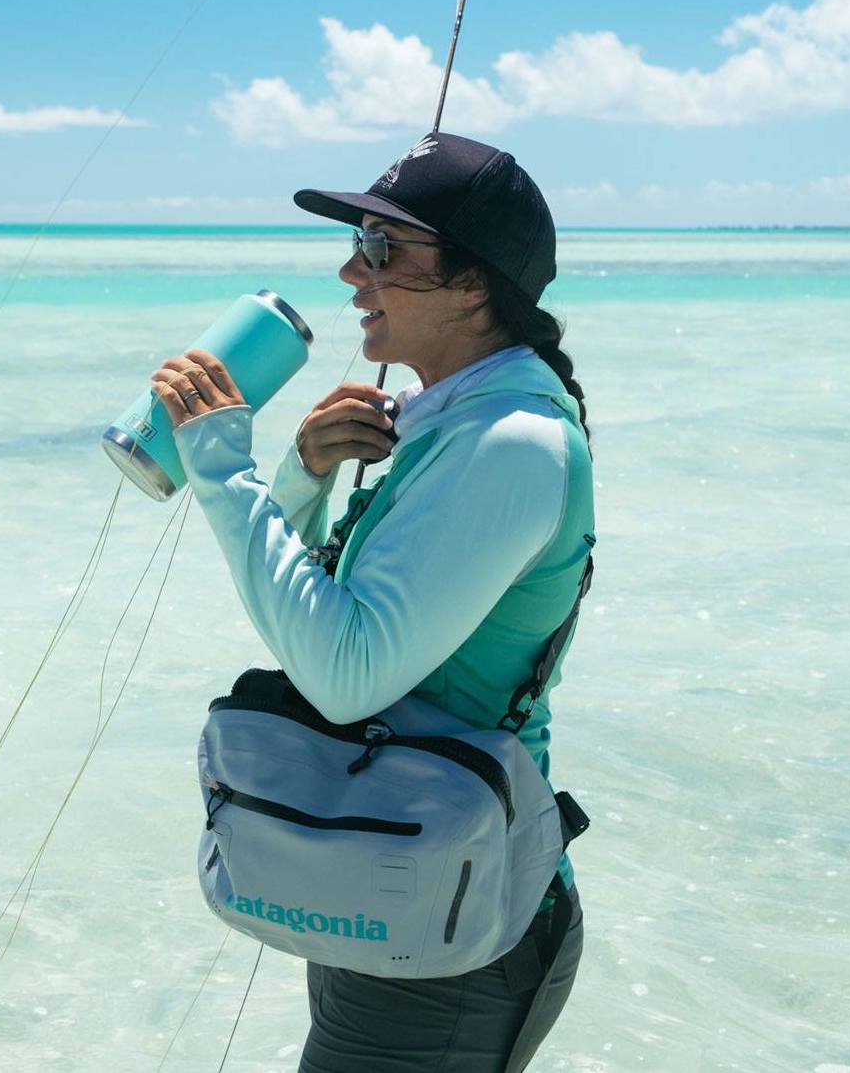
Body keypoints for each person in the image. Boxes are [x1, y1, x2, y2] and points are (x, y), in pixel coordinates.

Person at [150, 131, 595, 1073]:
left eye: (386, 248)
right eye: (360, 240)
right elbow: (320, 630)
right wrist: (301, 477)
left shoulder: (508, 442)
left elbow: (347, 680)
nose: (354, 269)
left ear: (474, 285)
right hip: (404, 866)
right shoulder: (454, 422)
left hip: (459, 925)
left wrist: (223, 474)